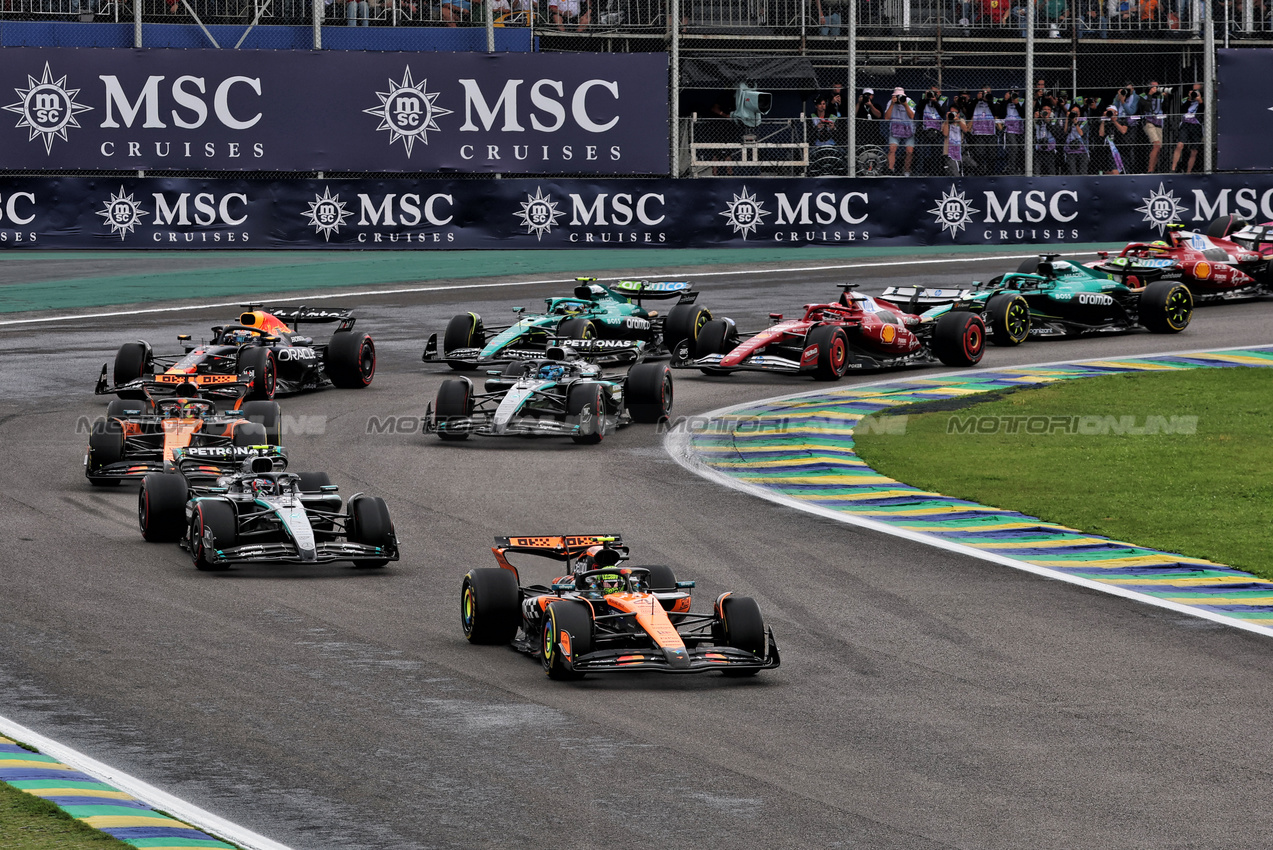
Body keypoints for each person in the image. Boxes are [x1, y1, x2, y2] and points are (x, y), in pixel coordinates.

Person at [1171, 83, 1203, 173]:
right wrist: (1189, 99)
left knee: (1194, 150)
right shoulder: (1186, 100)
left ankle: (1189, 171)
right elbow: (1182, 110)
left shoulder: (1203, 99)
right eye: (1193, 90)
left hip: (1196, 125)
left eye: (1197, 91)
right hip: (1185, 124)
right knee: (1180, 145)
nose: (1194, 93)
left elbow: (1202, 112)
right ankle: (1173, 168)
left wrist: (1200, 101)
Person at [916, 86, 948, 176]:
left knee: (936, 153)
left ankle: (935, 173)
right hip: (924, 128)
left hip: (937, 129)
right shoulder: (924, 97)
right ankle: (919, 172)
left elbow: (942, 113)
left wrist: (935, 102)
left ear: (939, 93)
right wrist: (926, 99)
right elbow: (918, 110)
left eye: (935, 92)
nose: (933, 94)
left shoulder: (943, 99)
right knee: (921, 152)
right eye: (932, 92)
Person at [883, 87, 916, 176]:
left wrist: (905, 104)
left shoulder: (909, 101)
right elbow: (886, 118)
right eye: (897, 96)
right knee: (892, 149)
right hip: (895, 128)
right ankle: (890, 169)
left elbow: (912, 116)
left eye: (900, 96)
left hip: (908, 128)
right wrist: (892, 104)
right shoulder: (890, 102)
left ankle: (907, 171)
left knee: (909, 151)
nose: (898, 98)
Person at [966, 86, 997, 175]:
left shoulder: (994, 101)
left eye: (988, 92)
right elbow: (968, 111)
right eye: (984, 92)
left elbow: (997, 112)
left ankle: (990, 173)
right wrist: (977, 99)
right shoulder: (974, 102)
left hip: (990, 132)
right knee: (979, 153)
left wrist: (989, 101)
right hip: (978, 132)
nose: (986, 94)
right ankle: (979, 172)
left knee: (992, 155)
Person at [995, 90, 1026, 174]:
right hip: (1009, 129)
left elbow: (1023, 114)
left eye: (1016, 92)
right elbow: (1001, 115)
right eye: (1011, 92)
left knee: (1020, 149)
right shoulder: (1005, 102)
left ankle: (1019, 168)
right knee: (1013, 148)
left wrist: (1016, 103)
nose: (1014, 93)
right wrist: (1005, 100)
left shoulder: (1022, 100)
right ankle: (1011, 168)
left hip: (1020, 129)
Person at [1093, 105, 1128, 175]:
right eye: (1108, 112)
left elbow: (1123, 131)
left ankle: (1105, 173)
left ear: (1116, 112)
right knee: (1114, 172)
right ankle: (1104, 173)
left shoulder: (1121, 120)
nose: (1110, 113)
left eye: (1111, 112)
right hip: (1109, 150)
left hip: (1121, 148)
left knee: (1122, 171)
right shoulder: (1106, 122)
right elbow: (1101, 134)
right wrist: (1103, 121)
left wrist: (1114, 121)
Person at [1141, 80, 1166, 173]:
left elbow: (1165, 108)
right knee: (1156, 145)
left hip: (1159, 123)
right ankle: (1150, 170)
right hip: (1149, 122)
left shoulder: (1160, 96)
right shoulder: (1143, 96)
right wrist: (1150, 94)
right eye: (1154, 87)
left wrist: (1165, 97)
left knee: (1158, 147)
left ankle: (1153, 169)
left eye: (1157, 87)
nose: (1156, 89)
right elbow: (1146, 108)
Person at [942, 105, 972, 176]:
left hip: (959, 150)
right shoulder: (946, 122)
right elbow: (945, 134)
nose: (953, 114)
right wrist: (947, 120)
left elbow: (965, 130)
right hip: (948, 152)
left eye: (954, 112)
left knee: (968, 167)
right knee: (954, 172)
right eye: (951, 112)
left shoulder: (961, 120)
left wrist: (957, 120)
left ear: (958, 114)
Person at [1063, 104, 1089, 175]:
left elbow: (1081, 133)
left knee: (1083, 172)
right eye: (1073, 111)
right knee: (1072, 172)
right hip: (1070, 150)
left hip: (1082, 149)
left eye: (1077, 112)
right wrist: (1067, 119)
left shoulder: (1084, 121)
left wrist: (1075, 122)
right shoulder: (1069, 121)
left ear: (1080, 113)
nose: (1075, 113)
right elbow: (1065, 132)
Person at [1034, 105, 1060, 175]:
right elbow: (1032, 131)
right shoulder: (1038, 120)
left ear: (1051, 111)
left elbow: (1057, 134)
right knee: (1037, 171)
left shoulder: (1054, 120)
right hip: (1038, 149)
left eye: (1048, 109)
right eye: (1044, 109)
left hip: (1050, 149)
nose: (1046, 111)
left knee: (1051, 170)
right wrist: (1035, 119)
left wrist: (1048, 121)